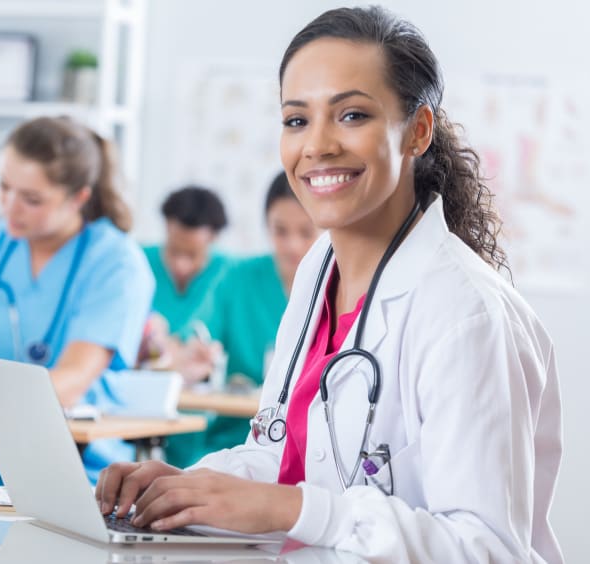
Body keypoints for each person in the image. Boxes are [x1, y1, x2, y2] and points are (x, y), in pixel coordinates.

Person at [96, 6, 563, 562]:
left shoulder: (467, 316)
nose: (316, 145)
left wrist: (294, 509)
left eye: (352, 116)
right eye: (297, 120)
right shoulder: (320, 270)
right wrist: (182, 488)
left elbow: (488, 549)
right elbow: (282, 455)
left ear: (417, 132)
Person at [0, 116, 154, 487]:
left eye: (32, 199)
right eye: (4, 188)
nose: (10, 207)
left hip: (74, 472)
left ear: (79, 197)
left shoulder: (115, 262)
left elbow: (72, 381)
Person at [164, 172, 319, 468]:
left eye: (306, 232)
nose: (292, 246)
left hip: (309, 445)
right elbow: (187, 341)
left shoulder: (341, 285)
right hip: (233, 440)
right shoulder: (238, 278)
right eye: (280, 231)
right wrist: (192, 356)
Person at [142, 186, 231, 339]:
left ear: (213, 239)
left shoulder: (228, 272)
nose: (180, 265)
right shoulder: (139, 261)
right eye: (174, 251)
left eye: (192, 255)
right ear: (166, 227)